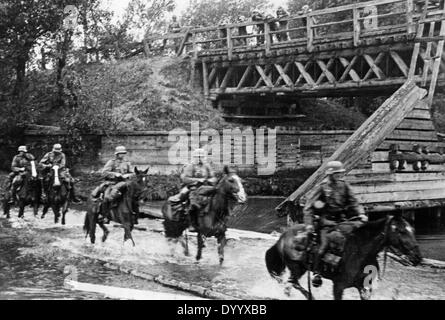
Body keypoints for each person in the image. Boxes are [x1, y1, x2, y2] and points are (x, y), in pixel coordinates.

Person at [303, 161, 368, 286]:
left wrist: (361, 214)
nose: (339, 176)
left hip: (343, 221)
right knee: (323, 246)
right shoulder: (322, 188)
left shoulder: (344, 186)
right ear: (330, 174)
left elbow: (355, 202)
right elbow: (309, 208)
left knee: (358, 237)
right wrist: (309, 224)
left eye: (340, 174)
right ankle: (317, 273)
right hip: (326, 223)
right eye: (336, 174)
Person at [169, 148, 217, 231]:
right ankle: (192, 223)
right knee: (193, 201)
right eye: (198, 157)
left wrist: (209, 180)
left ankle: (215, 220)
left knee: (217, 197)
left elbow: (213, 178)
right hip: (193, 187)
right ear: (194, 157)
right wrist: (197, 180)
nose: (199, 159)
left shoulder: (207, 166)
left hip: (206, 187)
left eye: (201, 157)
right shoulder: (190, 166)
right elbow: (184, 178)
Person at [91, 146, 135, 223]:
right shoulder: (111, 162)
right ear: (117, 154)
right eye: (121, 154)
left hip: (124, 183)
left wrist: (128, 175)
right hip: (112, 183)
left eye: (123, 153)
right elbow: (104, 173)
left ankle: (133, 214)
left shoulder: (127, 162)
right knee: (107, 197)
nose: (122, 155)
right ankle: (104, 215)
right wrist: (115, 174)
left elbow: (132, 173)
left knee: (134, 195)